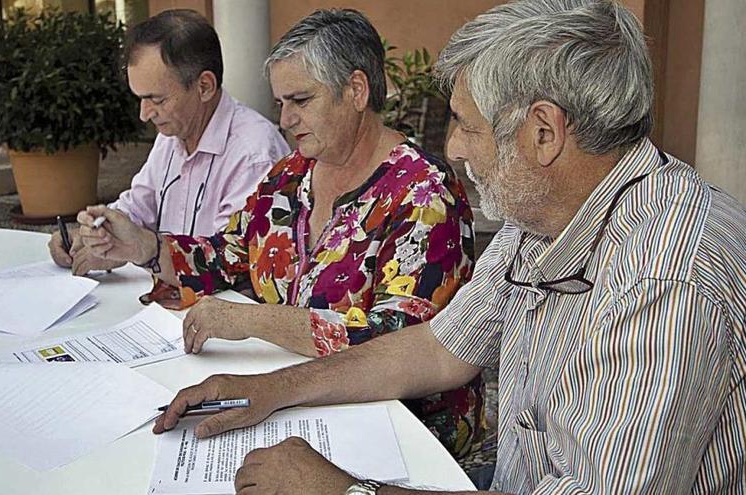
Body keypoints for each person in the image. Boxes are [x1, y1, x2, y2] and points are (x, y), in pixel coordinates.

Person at [147, 1, 746, 494]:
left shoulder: (666, 281)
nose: (453, 149)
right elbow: (440, 347)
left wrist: (345, 491)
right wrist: (268, 389)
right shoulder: (537, 217)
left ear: (543, 133)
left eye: (466, 125)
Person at [79, 9, 485, 459]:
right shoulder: (294, 173)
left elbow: (402, 343)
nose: (286, 119)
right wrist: (146, 246)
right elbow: (228, 254)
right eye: (281, 104)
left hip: (395, 432)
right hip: (290, 400)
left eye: (300, 101)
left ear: (355, 90)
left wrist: (251, 320)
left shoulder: (423, 193)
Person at [48, 9, 289, 275]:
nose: (144, 114)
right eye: (140, 98)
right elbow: (138, 205)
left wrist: (140, 251)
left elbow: (230, 263)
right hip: (168, 299)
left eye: (157, 100)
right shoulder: (174, 132)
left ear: (205, 87)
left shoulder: (254, 154)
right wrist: (94, 233)